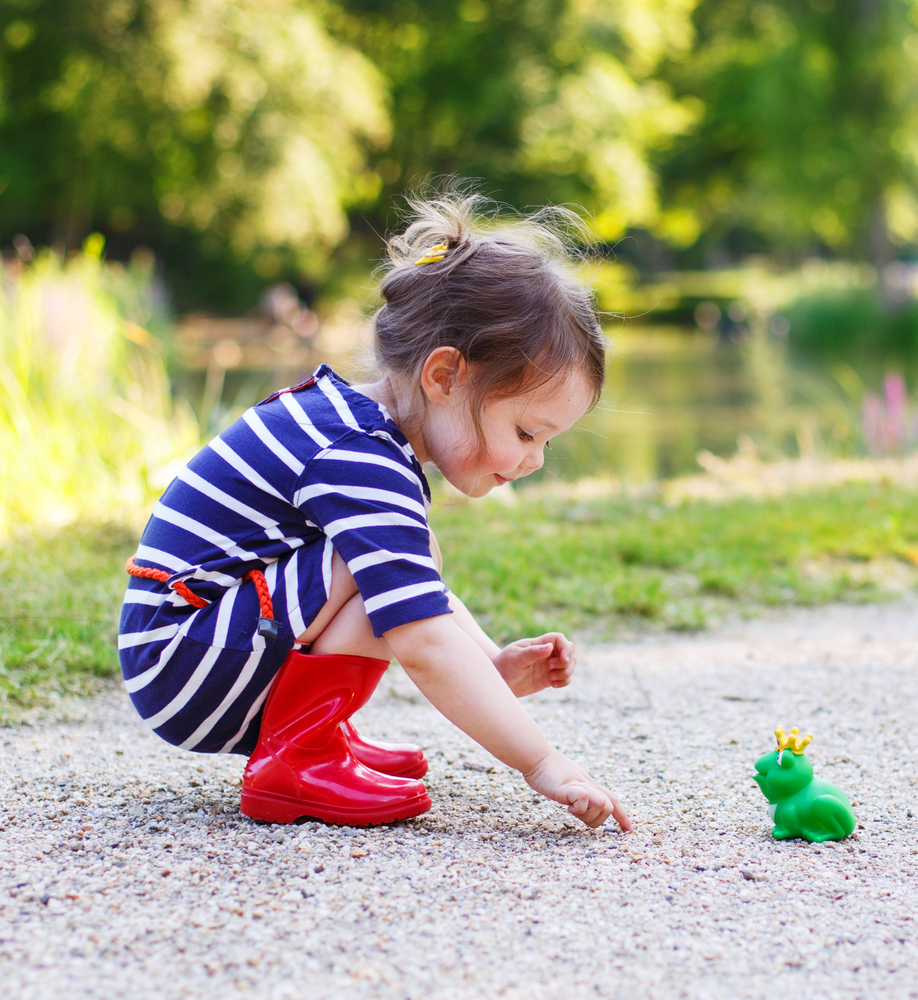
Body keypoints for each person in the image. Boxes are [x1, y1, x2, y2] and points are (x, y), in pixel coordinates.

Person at [118, 192, 631, 833]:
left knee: (400, 561)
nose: (536, 461)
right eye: (527, 432)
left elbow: (419, 589)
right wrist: (542, 762)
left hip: (194, 649)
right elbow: (420, 635)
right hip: (186, 660)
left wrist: (487, 668)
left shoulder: (356, 431)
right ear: (444, 376)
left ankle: (313, 737)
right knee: (384, 574)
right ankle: (296, 756)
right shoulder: (358, 454)